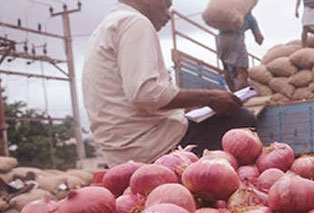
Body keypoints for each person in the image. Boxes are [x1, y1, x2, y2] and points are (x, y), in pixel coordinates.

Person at [82, 0, 256, 166]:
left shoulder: (107, 27)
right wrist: (209, 98)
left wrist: (185, 107)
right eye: (166, 5)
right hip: (153, 146)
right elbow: (145, 94)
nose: (168, 15)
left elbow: (133, 96)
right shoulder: (134, 23)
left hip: (121, 151)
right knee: (240, 119)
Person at [216, 12, 264, 91]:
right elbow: (259, 39)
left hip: (221, 40)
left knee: (227, 69)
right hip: (236, 39)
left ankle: (233, 93)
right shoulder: (249, 17)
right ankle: (238, 96)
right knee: (242, 71)